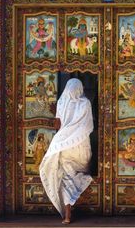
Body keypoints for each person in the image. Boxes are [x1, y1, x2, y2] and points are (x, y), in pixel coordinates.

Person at [39, 78, 94, 224]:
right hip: (81, 145)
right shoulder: (86, 103)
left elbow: (57, 126)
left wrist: (55, 113)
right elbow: (87, 125)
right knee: (81, 172)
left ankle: (68, 215)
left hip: (65, 145)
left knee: (67, 177)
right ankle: (91, 197)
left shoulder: (62, 102)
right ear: (80, 88)